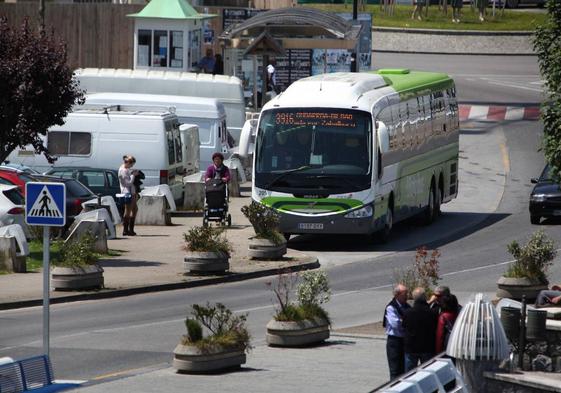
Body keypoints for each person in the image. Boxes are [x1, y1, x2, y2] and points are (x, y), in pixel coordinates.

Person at [402, 287, 437, 372]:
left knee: (409, 374)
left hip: (411, 348)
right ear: (425, 297)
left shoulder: (407, 312)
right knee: (427, 372)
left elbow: (404, 326)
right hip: (427, 347)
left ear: (414, 298)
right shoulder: (432, 312)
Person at [383, 283, 411, 380]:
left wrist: (404, 321)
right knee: (395, 370)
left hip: (404, 340)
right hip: (394, 342)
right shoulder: (391, 307)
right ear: (397, 295)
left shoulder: (407, 306)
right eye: (405, 294)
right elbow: (396, 325)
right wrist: (405, 322)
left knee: (404, 370)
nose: (407, 296)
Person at [118, 155, 139, 236]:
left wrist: (132, 173)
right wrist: (133, 175)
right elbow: (128, 183)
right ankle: (126, 230)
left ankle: (130, 229)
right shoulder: (123, 170)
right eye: (132, 164)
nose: (132, 166)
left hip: (131, 192)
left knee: (134, 210)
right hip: (127, 193)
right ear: (128, 163)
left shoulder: (125, 169)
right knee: (128, 211)